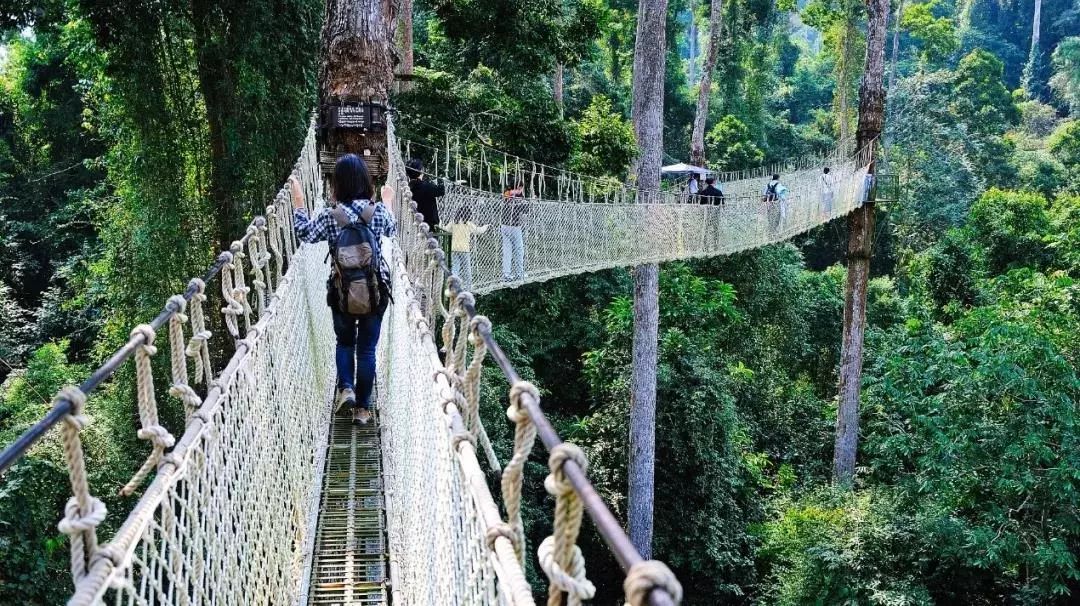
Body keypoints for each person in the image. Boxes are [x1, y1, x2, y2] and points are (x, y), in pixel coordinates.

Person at [289, 154, 396, 426]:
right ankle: (362, 409)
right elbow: (392, 229)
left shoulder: (329, 216)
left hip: (342, 292)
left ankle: (345, 387)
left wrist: (299, 202)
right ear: (365, 181)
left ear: (336, 184)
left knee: (345, 343)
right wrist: (389, 202)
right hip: (375, 291)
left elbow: (304, 233)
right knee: (368, 350)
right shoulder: (378, 212)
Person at [447, 206, 490, 291]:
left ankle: (453, 286)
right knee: (467, 270)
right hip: (464, 250)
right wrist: (486, 226)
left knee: (455, 268)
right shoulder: (468, 224)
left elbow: (446, 229)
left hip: (454, 248)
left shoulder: (453, 223)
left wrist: (440, 223)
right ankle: (468, 287)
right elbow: (479, 230)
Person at [406, 158, 445, 230]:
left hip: (413, 226)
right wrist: (444, 182)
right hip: (428, 227)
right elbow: (441, 190)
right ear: (421, 171)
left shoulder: (408, 188)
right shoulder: (425, 186)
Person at [501, 182, 526, 282]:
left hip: (509, 226)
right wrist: (517, 192)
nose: (521, 190)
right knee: (517, 250)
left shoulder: (515, 195)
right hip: (511, 226)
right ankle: (515, 273)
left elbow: (525, 210)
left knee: (511, 251)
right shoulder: (510, 194)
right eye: (521, 188)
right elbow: (506, 195)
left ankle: (510, 273)